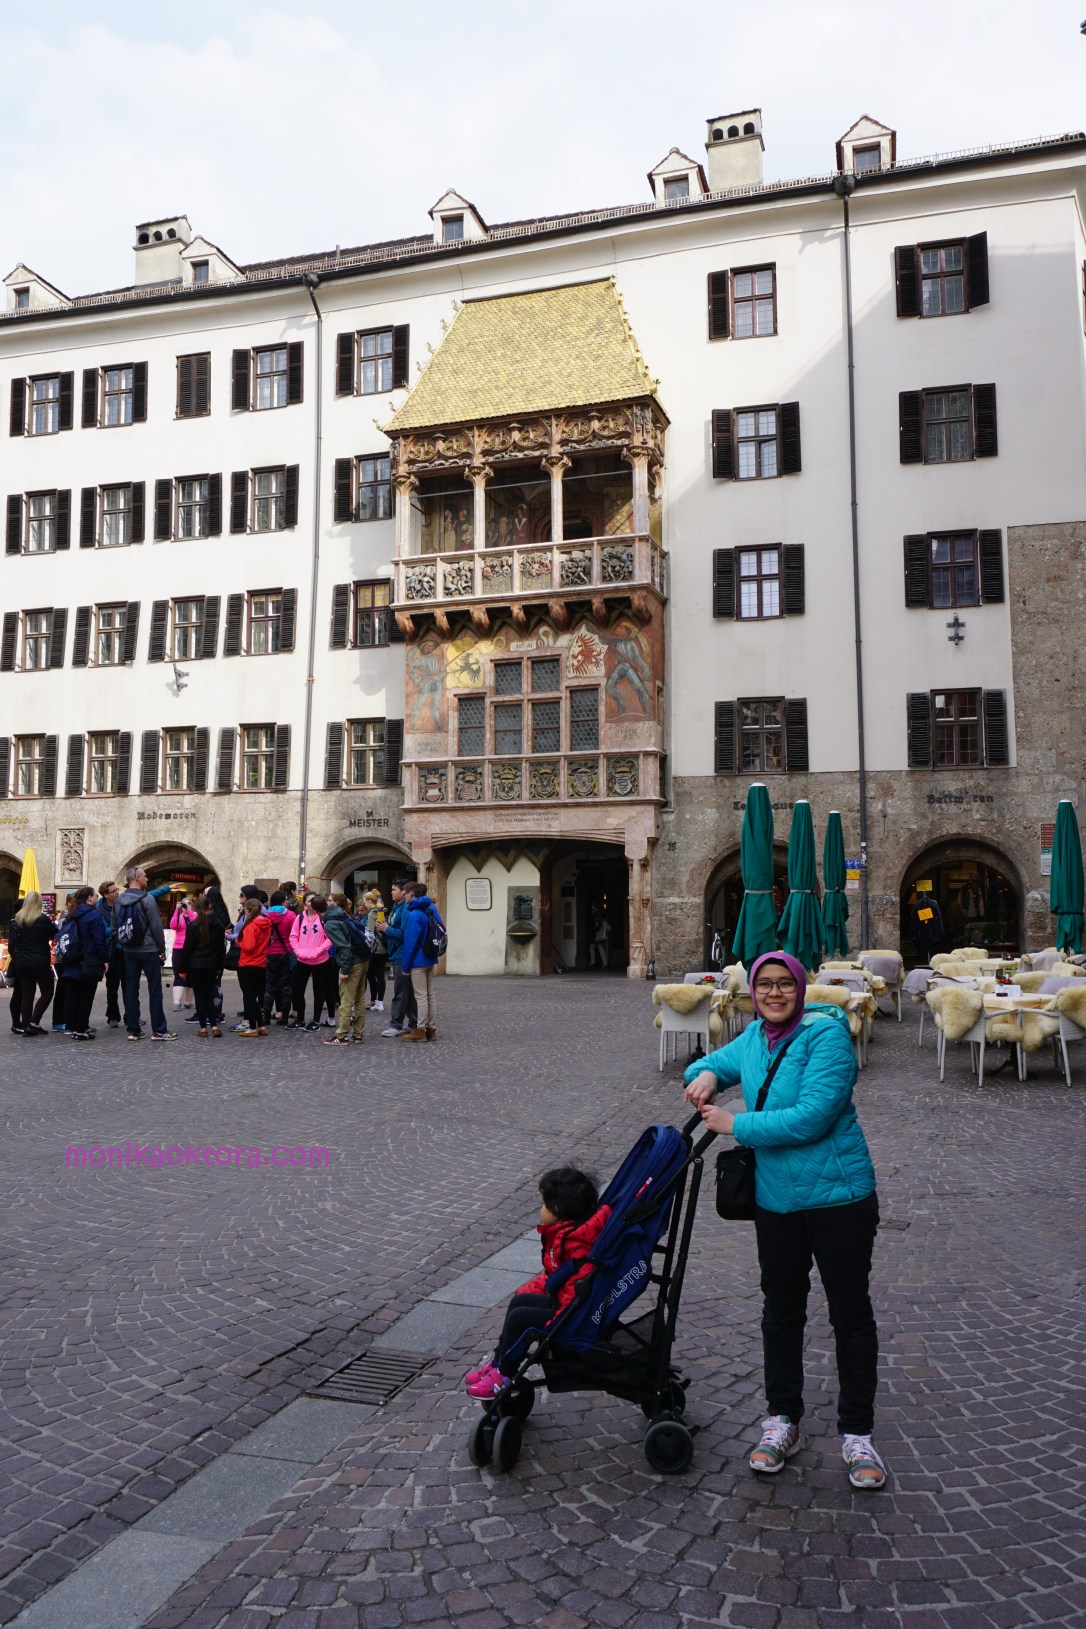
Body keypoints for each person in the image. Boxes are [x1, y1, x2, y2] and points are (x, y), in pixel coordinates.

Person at [683, 951, 886, 1491]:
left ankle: (857, 1433)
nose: (774, 993)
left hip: (838, 1198)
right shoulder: (752, 1038)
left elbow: (814, 1117)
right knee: (781, 1311)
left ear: (800, 987)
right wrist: (703, 1075)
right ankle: (783, 1420)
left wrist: (736, 1123)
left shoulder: (826, 1037)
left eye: (784, 984)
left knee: (849, 1314)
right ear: (753, 991)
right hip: (776, 1203)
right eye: (764, 985)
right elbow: (708, 1064)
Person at [465, 1167, 611, 1399]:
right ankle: (499, 1361)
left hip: (573, 1314)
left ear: (558, 1210)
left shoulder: (577, 1243)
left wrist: (557, 1316)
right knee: (520, 1301)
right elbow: (558, 1276)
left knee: (520, 1318)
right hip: (565, 1302)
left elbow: (576, 1286)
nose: (540, 1209)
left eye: (544, 1204)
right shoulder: (570, 1232)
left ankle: (504, 1373)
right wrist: (530, 1291)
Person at [114, 866, 174, 1041]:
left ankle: (133, 1030)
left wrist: (122, 941)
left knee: (131, 989)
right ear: (137, 879)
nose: (147, 879)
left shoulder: (118, 901)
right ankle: (159, 1030)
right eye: (145, 876)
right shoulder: (147, 899)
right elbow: (156, 926)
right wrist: (162, 949)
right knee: (154, 989)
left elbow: (114, 926)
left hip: (128, 950)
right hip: (148, 949)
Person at [58, 885, 109, 1039]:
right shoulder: (93, 915)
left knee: (72, 995)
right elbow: (99, 939)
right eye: (95, 896)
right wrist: (105, 959)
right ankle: (81, 1029)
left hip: (71, 958)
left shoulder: (71, 913)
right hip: (89, 959)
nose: (97, 898)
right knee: (86, 996)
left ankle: (71, 1026)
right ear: (89, 898)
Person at [319, 893, 369, 1045]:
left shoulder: (331, 923)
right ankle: (358, 1034)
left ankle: (342, 1036)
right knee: (359, 998)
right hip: (363, 957)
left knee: (346, 999)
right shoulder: (345, 916)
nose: (329, 902)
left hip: (353, 961)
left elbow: (345, 947)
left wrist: (344, 969)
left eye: (330, 900)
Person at [399, 881, 445, 1042]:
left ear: (411, 893)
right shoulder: (431, 908)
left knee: (421, 995)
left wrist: (406, 966)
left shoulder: (414, 914)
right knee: (429, 994)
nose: (404, 896)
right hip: (430, 956)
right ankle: (431, 1029)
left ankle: (420, 1029)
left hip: (418, 960)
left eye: (405, 893)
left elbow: (410, 943)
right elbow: (442, 927)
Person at [7, 891, 58, 1035]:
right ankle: (34, 1022)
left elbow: (13, 944)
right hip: (40, 961)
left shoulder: (17, 920)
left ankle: (25, 1025)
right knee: (47, 992)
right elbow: (56, 933)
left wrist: (18, 957)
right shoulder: (42, 920)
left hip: (22, 962)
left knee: (27, 995)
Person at [177, 897, 226, 1036]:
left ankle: (203, 1028)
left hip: (195, 964)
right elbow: (220, 949)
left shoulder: (193, 925)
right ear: (208, 906)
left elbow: (187, 948)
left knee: (199, 996)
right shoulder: (218, 924)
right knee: (209, 995)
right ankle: (214, 1026)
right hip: (211, 964)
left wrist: (182, 968)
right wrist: (220, 966)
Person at [289, 894, 332, 1030]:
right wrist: (298, 951)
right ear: (305, 903)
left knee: (318, 991)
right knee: (297, 990)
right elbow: (293, 936)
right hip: (302, 960)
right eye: (310, 901)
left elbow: (330, 938)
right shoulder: (299, 918)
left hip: (320, 961)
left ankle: (315, 1021)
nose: (312, 904)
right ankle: (300, 1019)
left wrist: (318, 951)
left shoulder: (324, 919)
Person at [381, 879, 417, 1038]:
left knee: (401, 992)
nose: (391, 892)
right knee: (407, 991)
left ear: (403, 892)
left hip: (402, 955)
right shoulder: (396, 907)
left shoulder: (405, 909)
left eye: (394, 889)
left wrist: (387, 929)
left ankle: (396, 1024)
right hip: (396, 954)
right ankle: (413, 1023)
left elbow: (404, 933)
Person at [235, 898, 271, 1036]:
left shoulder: (251, 925)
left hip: (247, 964)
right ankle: (261, 1026)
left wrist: (239, 942)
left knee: (248, 997)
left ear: (248, 910)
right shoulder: (266, 923)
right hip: (260, 964)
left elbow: (248, 946)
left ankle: (252, 1027)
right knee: (253, 997)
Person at [262, 891, 295, 1026]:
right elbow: (294, 934)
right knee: (286, 985)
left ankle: (266, 1016)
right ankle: (285, 1017)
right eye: (286, 900)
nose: (287, 902)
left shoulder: (266, 916)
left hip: (270, 953)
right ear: (282, 901)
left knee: (270, 985)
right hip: (286, 952)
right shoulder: (290, 915)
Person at [97, 880, 123, 1027]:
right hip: (111, 951)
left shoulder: (122, 903)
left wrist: (165, 889)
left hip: (125, 949)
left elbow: (143, 896)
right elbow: (102, 931)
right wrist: (116, 930)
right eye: (114, 891)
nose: (117, 892)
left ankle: (132, 1015)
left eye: (117, 889)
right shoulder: (99, 910)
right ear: (106, 895)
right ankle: (113, 1016)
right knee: (112, 987)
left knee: (130, 986)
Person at [51, 895, 77, 1031]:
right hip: (64, 958)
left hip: (62, 957)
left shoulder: (67, 916)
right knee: (64, 990)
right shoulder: (67, 917)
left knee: (63, 990)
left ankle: (60, 1021)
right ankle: (62, 1021)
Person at [169, 896, 198, 1015]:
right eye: (184, 905)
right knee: (179, 975)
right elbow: (173, 925)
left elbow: (195, 923)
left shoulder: (194, 914)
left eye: (188, 904)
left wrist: (189, 911)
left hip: (191, 949)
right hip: (179, 949)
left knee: (191, 977)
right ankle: (176, 1002)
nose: (185, 907)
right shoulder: (179, 916)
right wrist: (177, 910)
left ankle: (187, 1002)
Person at [361, 889, 387, 1012]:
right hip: (384, 948)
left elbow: (370, 933)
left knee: (370, 974)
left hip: (375, 949)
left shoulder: (372, 914)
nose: (364, 904)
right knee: (380, 975)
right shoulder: (382, 912)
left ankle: (372, 1001)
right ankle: (379, 1002)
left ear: (370, 901)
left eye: (365, 901)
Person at [589, 905, 610, 969]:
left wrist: (595, 930)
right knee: (600, 948)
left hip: (596, 935)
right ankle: (605, 963)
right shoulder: (600, 913)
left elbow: (598, 924)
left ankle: (593, 962)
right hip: (598, 934)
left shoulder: (595, 914)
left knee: (592, 947)